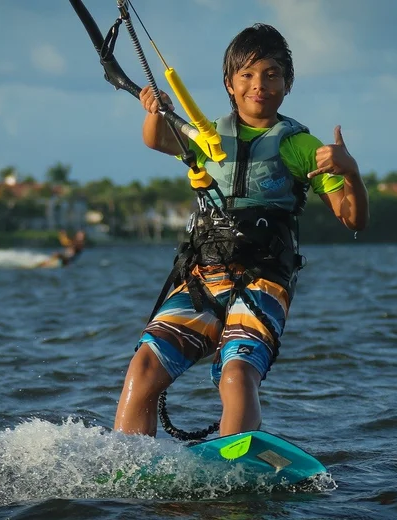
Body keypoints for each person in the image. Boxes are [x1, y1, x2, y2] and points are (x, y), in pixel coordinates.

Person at [113, 23, 369, 437]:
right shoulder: (206, 133)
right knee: (143, 366)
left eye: (271, 74)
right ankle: (126, 464)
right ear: (229, 84)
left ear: (288, 84)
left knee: (236, 374)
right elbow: (158, 140)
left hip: (263, 279)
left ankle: (234, 468)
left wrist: (351, 172)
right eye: (247, 75)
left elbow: (354, 219)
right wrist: (153, 109)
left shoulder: (300, 145)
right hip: (202, 275)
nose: (259, 85)